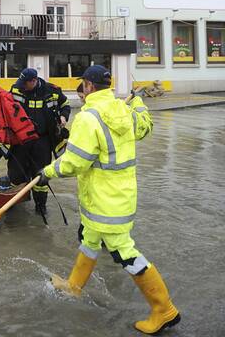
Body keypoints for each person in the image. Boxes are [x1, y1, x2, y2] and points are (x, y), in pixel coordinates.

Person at [37, 65, 180, 335]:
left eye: (83, 85)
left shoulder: (88, 117)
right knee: (90, 241)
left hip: (104, 201)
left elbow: (75, 163)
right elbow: (144, 127)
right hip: (117, 196)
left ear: (89, 86)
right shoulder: (122, 110)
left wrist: (47, 173)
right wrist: (137, 103)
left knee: (125, 252)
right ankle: (73, 286)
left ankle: (164, 310)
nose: (82, 89)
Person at [9, 68, 71, 215]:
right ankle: (15, 205)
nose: (22, 86)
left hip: (42, 140)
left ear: (34, 81)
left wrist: (63, 116)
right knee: (16, 173)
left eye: (25, 83)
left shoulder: (52, 91)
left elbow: (65, 104)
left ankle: (40, 206)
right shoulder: (16, 89)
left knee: (41, 175)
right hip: (21, 140)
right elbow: (5, 105)